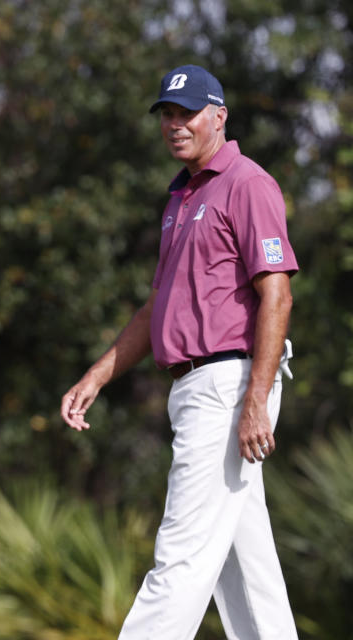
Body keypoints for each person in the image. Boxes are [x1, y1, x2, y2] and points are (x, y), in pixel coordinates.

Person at [60, 64, 298, 639]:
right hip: (198, 386)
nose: (174, 124)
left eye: (186, 112)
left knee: (181, 557)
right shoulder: (182, 198)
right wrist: (98, 375)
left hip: (230, 383)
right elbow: (157, 308)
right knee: (246, 565)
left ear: (219, 116)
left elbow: (278, 294)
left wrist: (255, 399)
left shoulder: (246, 183)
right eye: (167, 114)